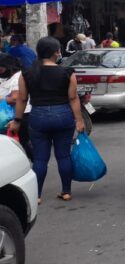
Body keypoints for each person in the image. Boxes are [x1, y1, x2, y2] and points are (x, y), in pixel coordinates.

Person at [8, 37, 85, 203]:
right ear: (56, 52)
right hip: (63, 115)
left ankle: (36, 195)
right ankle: (66, 192)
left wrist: (17, 121)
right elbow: (73, 98)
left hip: (38, 116)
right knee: (63, 156)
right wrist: (79, 120)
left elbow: (21, 99)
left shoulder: (27, 74)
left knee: (40, 158)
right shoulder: (68, 72)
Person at [0, 53, 32, 158]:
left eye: (1, 68)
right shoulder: (6, 76)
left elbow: (15, 98)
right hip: (9, 115)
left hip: (19, 116)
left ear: (8, 66)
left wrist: (2, 98)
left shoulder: (17, 78)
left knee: (19, 143)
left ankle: (33, 162)